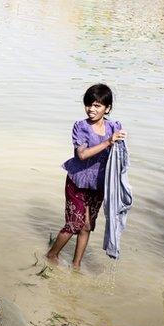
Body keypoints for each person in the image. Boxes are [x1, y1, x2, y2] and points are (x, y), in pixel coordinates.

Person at [46, 84, 127, 268]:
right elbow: (81, 155)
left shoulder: (114, 126)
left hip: (99, 184)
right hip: (78, 181)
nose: (91, 109)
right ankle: (51, 256)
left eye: (97, 105)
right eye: (89, 104)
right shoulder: (80, 127)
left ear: (107, 108)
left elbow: (120, 154)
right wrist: (108, 141)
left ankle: (76, 266)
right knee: (74, 224)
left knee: (87, 226)